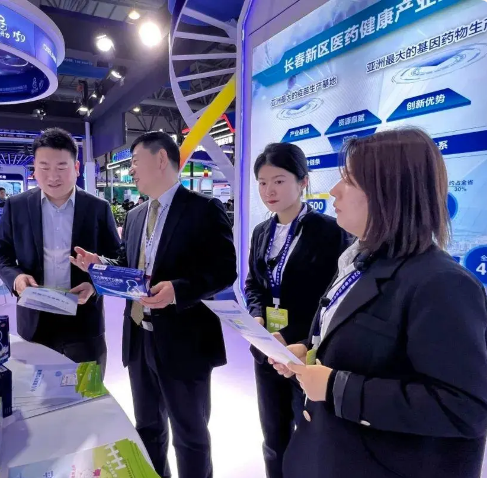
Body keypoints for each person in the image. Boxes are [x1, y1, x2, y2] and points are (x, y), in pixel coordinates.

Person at [272, 128, 487, 478]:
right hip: (329, 452)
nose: (334, 191)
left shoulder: (442, 284)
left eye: (349, 181)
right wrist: (309, 352)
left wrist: (336, 388)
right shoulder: (360, 261)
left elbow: (465, 408)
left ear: (390, 192)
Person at [71, 131, 237, 478]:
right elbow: (128, 266)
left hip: (184, 341)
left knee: (190, 434)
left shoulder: (203, 209)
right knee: (147, 428)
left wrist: (177, 290)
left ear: (161, 159)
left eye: (135, 162)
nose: (131, 170)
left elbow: (224, 270)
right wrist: (99, 265)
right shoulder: (135, 216)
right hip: (138, 338)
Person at [245, 143, 350, 478]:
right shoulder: (261, 232)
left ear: (303, 181)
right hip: (267, 348)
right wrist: (257, 317)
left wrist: (297, 338)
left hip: (307, 352)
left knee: (309, 437)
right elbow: (254, 284)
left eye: (279, 181)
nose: (269, 191)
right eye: (262, 183)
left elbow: (334, 296)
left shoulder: (331, 232)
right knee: (272, 435)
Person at [0, 128, 120, 368]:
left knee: (87, 389)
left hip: (84, 320)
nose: (53, 177)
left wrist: (95, 284)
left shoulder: (98, 208)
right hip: (35, 321)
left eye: (61, 167)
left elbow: (116, 258)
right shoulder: (17, 206)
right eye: (44, 167)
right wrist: (16, 278)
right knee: (37, 388)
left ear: (76, 168)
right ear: (34, 168)